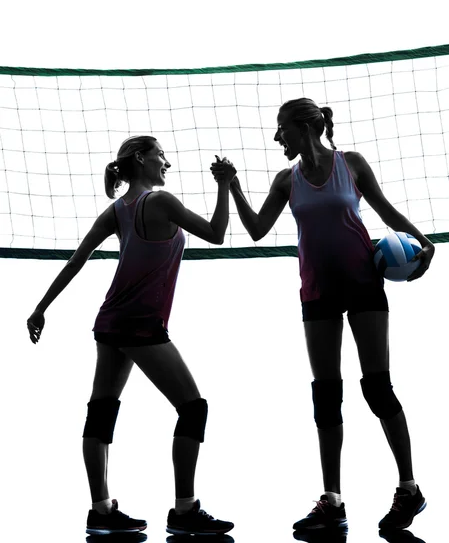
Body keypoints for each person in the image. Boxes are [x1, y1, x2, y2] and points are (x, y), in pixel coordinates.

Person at [211, 98, 435, 531]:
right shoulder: (285, 180)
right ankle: (332, 501)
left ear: (302, 126)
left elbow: (384, 209)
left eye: (282, 129)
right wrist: (234, 186)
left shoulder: (350, 163)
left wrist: (424, 242)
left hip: (364, 284)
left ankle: (409, 489)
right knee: (326, 394)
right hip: (317, 292)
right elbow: (257, 229)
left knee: (377, 387)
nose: (277, 137)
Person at [26, 135, 236, 537]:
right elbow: (216, 232)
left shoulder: (118, 209)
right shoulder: (160, 202)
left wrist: (41, 307)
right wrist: (224, 185)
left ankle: (101, 510)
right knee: (193, 408)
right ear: (141, 159)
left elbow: (76, 261)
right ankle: (185, 510)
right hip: (139, 324)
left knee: (101, 411)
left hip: (111, 322)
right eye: (160, 155)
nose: (166, 163)